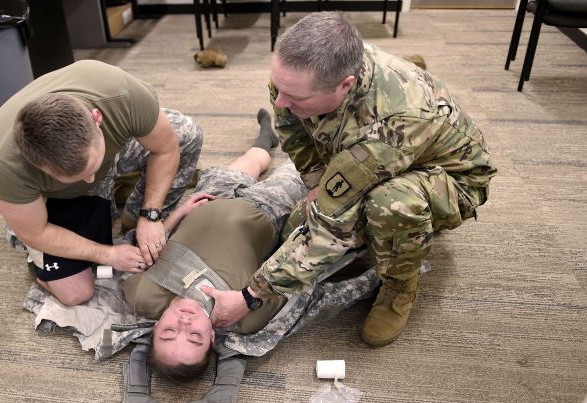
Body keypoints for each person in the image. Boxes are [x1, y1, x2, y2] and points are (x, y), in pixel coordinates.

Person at [204, 12, 498, 347]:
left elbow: (331, 228)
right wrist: (317, 182)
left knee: (388, 204)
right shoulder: (302, 74)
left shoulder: (394, 121)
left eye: (295, 98)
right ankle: (368, 231)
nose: (281, 102)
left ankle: (399, 287)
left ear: (345, 85)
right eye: (278, 88)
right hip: (377, 153)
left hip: (451, 177)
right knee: (300, 224)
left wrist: (251, 296)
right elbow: (290, 127)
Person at [0, 60, 202, 306]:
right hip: (50, 198)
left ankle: (133, 216)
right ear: (37, 165)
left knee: (187, 133)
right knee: (76, 293)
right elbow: (39, 233)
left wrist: (150, 214)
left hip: (111, 137)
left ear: (97, 118)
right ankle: (20, 222)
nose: (91, 181)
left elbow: (166, 148)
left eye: (92, 168)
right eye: (77, 178)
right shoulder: (4, 166)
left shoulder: (120, 93)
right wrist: (108, 255)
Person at [120, 109, 308, 383]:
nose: (183, 323)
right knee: (302, 167)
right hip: (266, 211)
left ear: (155, 327)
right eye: (194, 336)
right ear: (211, 337)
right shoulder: (242, 318)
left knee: (251, 160)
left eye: (169, 332)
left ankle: (264, 138)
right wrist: (248, 297)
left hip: (207, 199)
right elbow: (290, 281)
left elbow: (146, 250)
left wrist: (177, 215)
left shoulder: (142, 297)